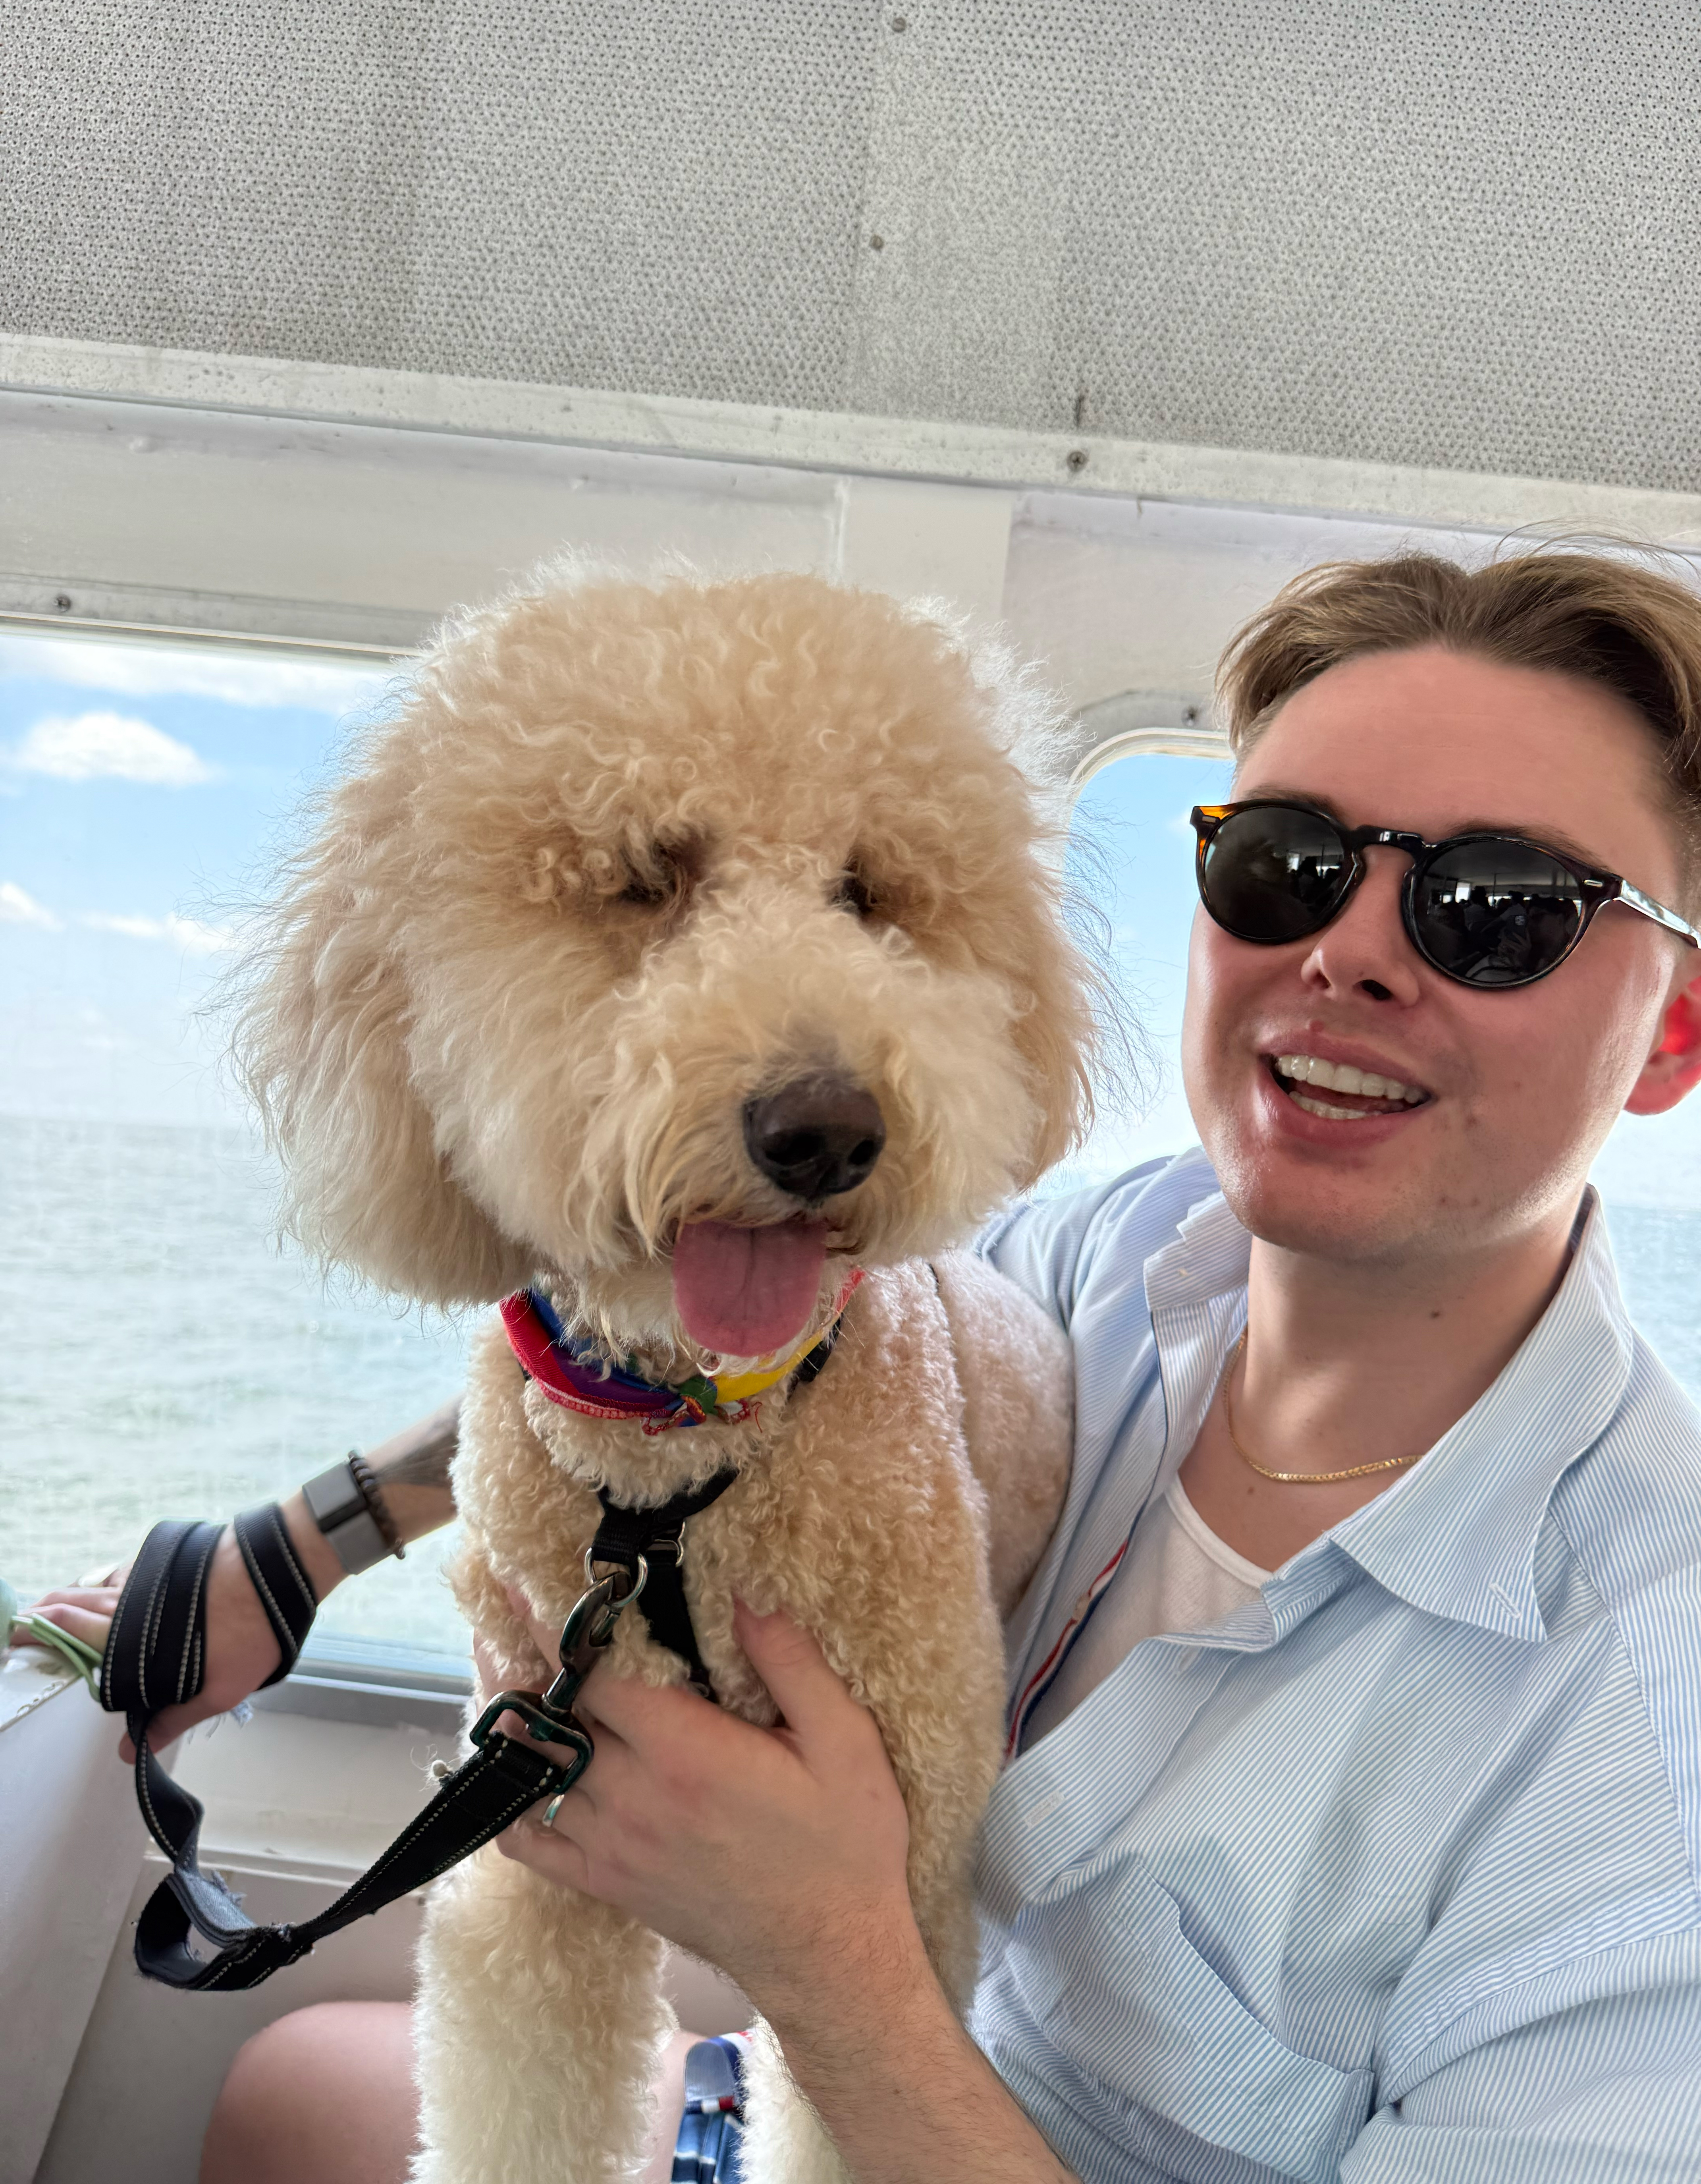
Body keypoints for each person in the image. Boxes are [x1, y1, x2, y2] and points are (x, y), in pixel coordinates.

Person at [27, 546, 1701, 2182]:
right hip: (810, 2095)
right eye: (1287, 864)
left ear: (1677, 1030)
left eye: (1501, 909)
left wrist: (832, 1972)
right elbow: (692, 1374)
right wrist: (302, 1549)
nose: (1353, 951)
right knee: (285, 2089)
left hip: (909, 2105)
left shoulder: (1645, 1742)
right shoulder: (1116, 1259)